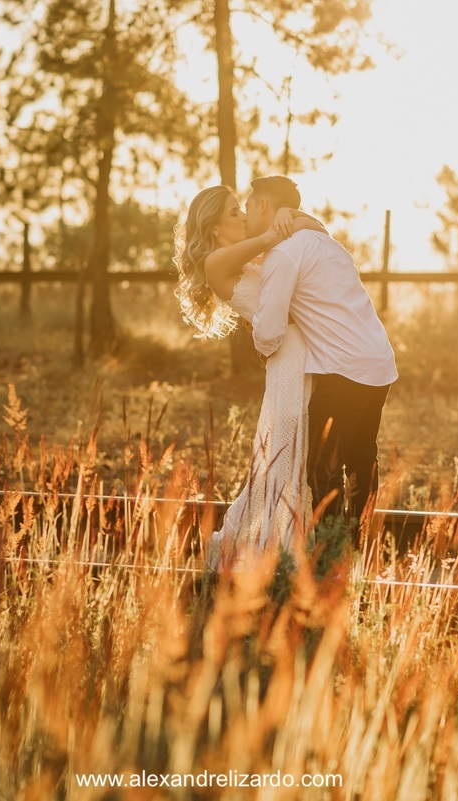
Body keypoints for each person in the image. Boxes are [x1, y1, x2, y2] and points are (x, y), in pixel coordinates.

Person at [174, 185, 325, 569]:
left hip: (303, 354)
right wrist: (281, 220)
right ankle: (263, 555)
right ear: (212, 228)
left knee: (292, 456)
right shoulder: (216, 263)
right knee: (284, 455)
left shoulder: (248, 255)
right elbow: (275, 237)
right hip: (289, 360)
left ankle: (278, 552)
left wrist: (292, 216)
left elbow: (314, 229)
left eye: (241, 209)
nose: (242, 215)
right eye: (232, 213)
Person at [245, 175, 397, 529]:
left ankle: (330, 553)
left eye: (249, 207)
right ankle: (356, 543)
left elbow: (268, 331)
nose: (246, 213)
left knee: (320, 466)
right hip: (378, 362)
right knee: (361, 459)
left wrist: (262, 349)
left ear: (265, 206)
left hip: (344, 369)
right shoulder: (326, 242)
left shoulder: (283, 253)